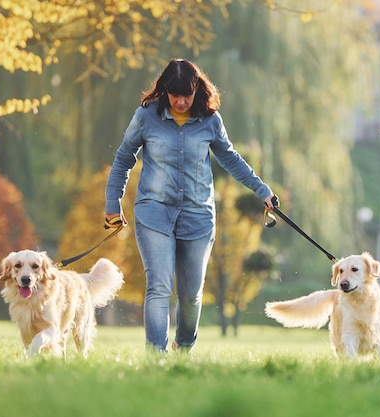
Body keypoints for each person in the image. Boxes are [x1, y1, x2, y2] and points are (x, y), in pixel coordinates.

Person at [104, 58, 277, 353]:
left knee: (191, 296)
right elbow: (123, 157)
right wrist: (112, 201)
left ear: (198, 90)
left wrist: (262, 191)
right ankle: (156, 356)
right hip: (154, 212)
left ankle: (183, 350)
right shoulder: (147, 116)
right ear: (164, 90)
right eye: (175, 95)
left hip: (197, 216)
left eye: (187, 94)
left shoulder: (210, 120)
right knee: (158, 287)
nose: (181, 101)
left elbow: (230, 158)